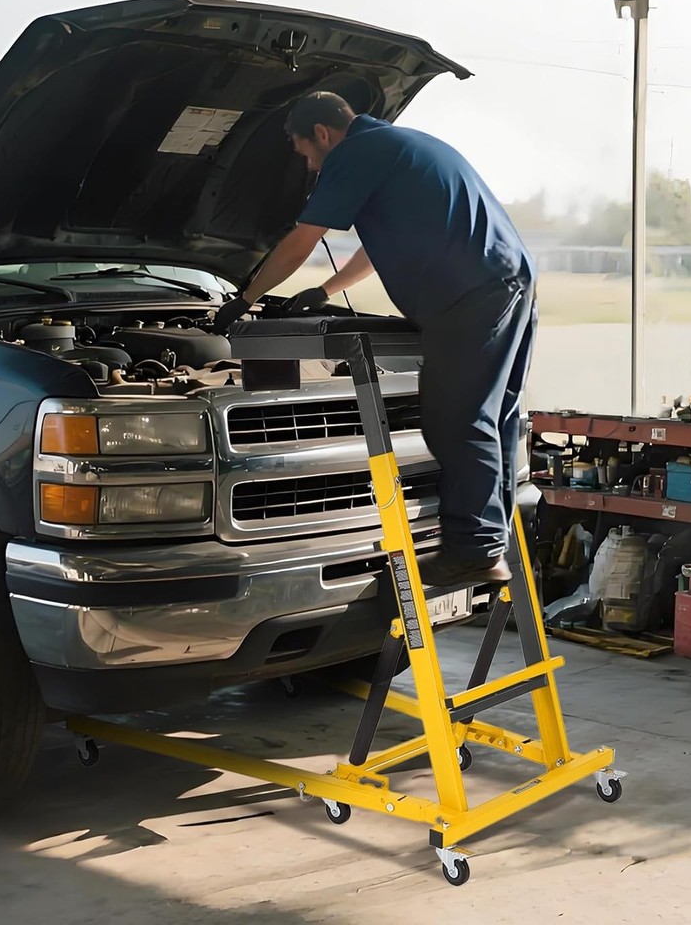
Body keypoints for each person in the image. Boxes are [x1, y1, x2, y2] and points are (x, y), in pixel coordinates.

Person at [213, 91, 537, 589]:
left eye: (304, 153)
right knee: (494, 419)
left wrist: (245, 298)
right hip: (508, 281)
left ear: (322, 134)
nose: (309, 166)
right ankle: (490, 542)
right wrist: (325, 290)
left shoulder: (354, 152)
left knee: (457, 419)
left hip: (470, 295)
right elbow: (375, 247)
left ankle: (475, 550)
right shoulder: (399, 146)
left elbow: (301, 241)